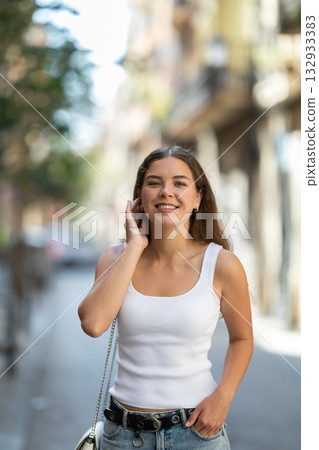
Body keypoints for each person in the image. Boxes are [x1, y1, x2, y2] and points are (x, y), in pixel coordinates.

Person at [78, 145, 253, 449]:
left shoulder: (222, 264)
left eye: (180, 183)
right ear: (139, 197)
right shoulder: (114, 258)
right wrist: (134, 246)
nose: (166, 192)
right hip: (122, 435)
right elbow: (93, 324)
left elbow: (242, 339)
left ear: (198, 198)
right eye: (154, 182)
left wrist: (223, 396)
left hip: (196, 433)